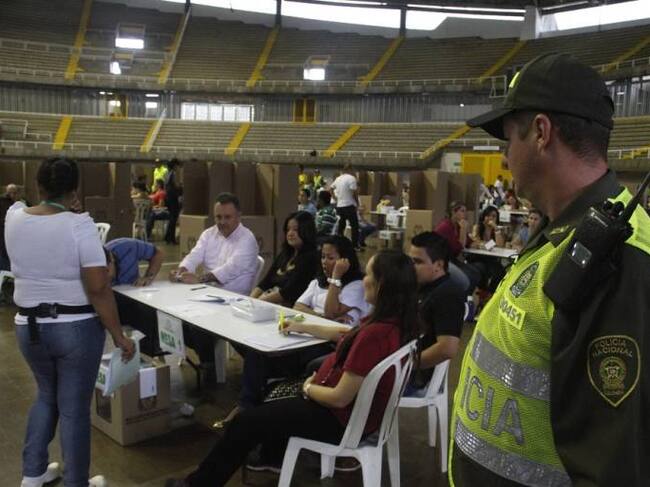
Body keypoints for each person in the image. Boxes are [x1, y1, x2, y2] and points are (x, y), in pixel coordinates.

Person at [449, 53, 650, 486]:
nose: (505, 157)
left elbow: (613, 466)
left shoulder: (616, 258)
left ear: (541, 132)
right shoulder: (569, 226)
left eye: (508, 139)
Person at [166, 250, 420, 486]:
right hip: (351, 413)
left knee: (245, 421)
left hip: (338, 419)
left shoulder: (374, 335)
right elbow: (344, 334)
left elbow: (340, 397)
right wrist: (303, 326)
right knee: (270, 393)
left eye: (369, 274)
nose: (364, 279)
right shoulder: (395, 323)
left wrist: (308, 388)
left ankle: (197, 484)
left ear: (381, 284)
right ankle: (271, 454)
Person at [6, 157, 135, 487]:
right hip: (74, 328)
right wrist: (119, 335)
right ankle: (76, 482)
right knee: (74, 409)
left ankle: (32, 475)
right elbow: (98, 287)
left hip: (28, 327)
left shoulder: (14, 217)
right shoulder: (80, 225)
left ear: (39, 185)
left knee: (46, 396)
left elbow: (20, 203)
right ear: (75, 190)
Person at [231, 235, 368, 416]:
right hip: (307, 334)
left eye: (331, 257)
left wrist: (336, 278)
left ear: (345, 260)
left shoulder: (355, 285)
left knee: (269, 357)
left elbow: (330, 311)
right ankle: (246, 406)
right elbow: (298, 307)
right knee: (256, 351)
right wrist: (321, 316)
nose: (324, 261)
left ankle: (260, 405)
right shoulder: (317, 282)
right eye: (323, 256)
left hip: (327, 345)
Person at [406, 232, 464, 396]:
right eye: (410, 261)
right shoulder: (424, 286)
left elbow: (447, 348)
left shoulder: (447, 295)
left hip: (414, 378)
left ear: (438, 265)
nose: (411, 267)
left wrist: (406, 365)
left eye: (417, 262)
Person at [250, 211, 319, 307]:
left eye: (295, 230)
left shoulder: (311, 258)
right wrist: (250, 300)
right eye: (288, 229)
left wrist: (259, 302)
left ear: (307, 231)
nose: (290, 233)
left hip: (291, 307)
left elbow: (288, 292)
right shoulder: (285, 254)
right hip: (270, 301)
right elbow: (266, 282)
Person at [331, 164, 360, 250]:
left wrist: (335, 198)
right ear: (350, 169)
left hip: (340, 206)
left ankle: (339, 243)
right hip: (349, 205)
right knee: (354, 226)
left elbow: (331, 189)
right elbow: (354, 193)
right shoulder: (351, 178)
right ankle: (354, 245)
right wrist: (357, 203)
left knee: (341, 226)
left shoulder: (338, 178)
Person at [0, 183, 23, 271]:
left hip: (15, 232)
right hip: (3, 230)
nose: (12, 195)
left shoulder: (21, 202)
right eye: (10, 193)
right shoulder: (2, 201)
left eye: (14, 193)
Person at [163, 158, 181, 244]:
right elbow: (176, 185)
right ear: (175, 166)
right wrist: (181, 187)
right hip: (173, 197)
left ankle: (168, 237)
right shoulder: (174, 173)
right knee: (174, 217)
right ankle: (171, 238)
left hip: (167, 197)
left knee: (171, 217)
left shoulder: (167, 173)